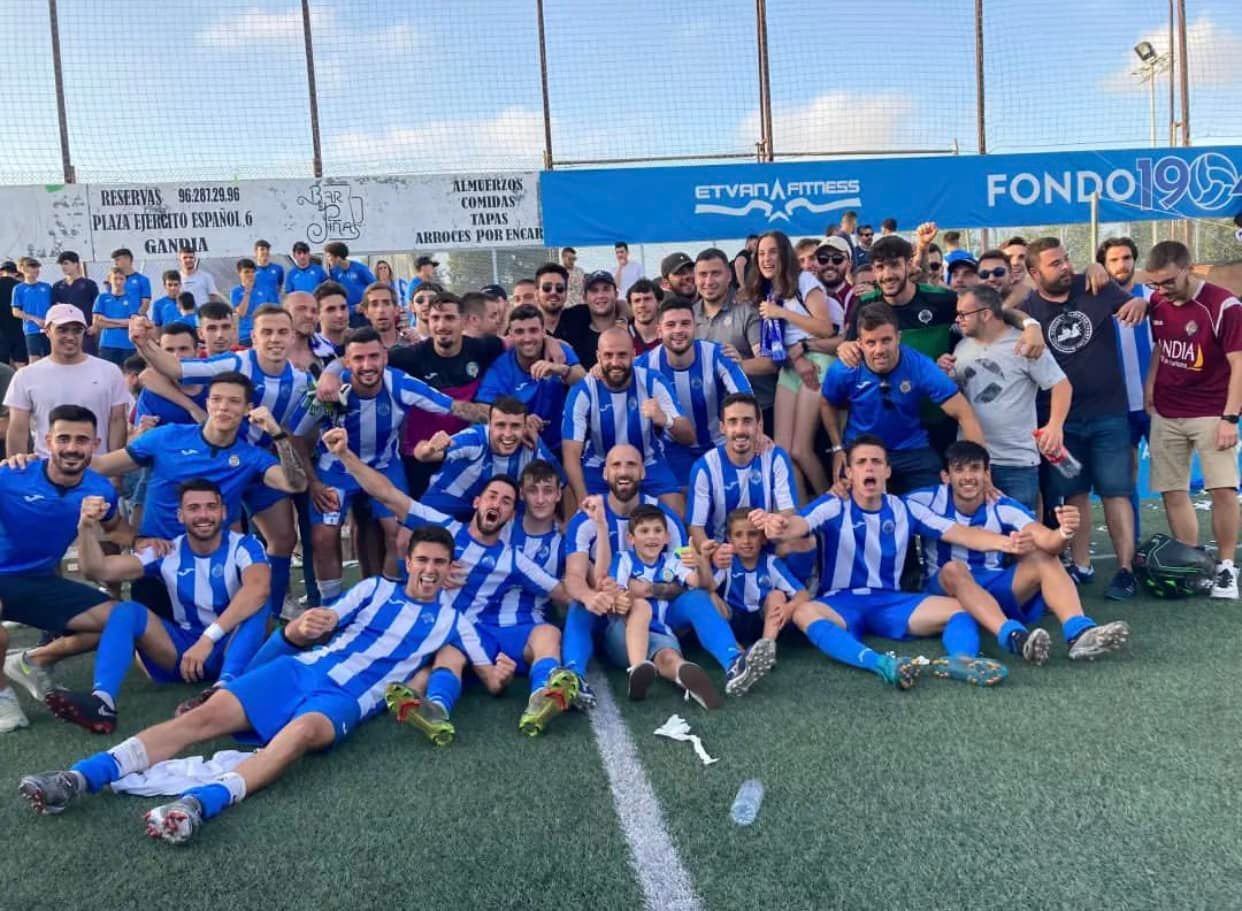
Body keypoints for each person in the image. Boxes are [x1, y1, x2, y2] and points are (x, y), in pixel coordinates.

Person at [17, 525, 479, 843]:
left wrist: (433, 688)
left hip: (345, 700)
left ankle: (198, 805)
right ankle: (78, 777)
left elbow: (456, 669)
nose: (430, 569)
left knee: (295, 737)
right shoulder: (376, 587)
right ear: (409, 559)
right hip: (299, 669)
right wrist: (307, 626)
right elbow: (329, 618)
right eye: (423, 559)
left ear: (450, 567)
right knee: (201, 720)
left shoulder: (454, 620)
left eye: (440, 562)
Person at [327, 437, 578, 738]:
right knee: (448, 651)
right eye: (492, 496)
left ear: (512, 515)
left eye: (506, 501)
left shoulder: (512, 559)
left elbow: (562, 592)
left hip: (485, 630)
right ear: (477, 502)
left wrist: (603, 588)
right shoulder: (447, 530)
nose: (497, 503)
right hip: (449, 632)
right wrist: (345, 454)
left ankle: (541, 698)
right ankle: (435, 709)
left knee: (548, 633)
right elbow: (388, 494)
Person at [752, 435, 1023, 689]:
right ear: (849, 473)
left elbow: (958, 532)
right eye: (861, 462)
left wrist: (1006, 543)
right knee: (803, 612)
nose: (869, 468)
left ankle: (962, 660)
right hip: (839, 601)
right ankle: (880, 664)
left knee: (960, 609)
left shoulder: (905, 508)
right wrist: (777, 524)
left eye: (876, 462)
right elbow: (797, 525)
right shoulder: (834, 504)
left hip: (889, 601)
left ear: (887, 471)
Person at [42, 480, 271, 734]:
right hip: (183, 654)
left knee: (259, 604)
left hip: (232, 646)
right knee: (126, 610)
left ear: (224, 512)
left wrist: (207, 640)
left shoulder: (245, 545)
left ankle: (222, 692)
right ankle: (102, 702)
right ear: (180, 515)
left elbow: (257, 589)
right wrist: (85, 527)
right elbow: (97, 569)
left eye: (211, 507)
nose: (203, 515)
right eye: (194, 508)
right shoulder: (167, 550)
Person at [130, 310, 315, 616]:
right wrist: (143, 342)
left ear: (292, 337)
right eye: (266, 332)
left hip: (256, 465)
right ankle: (201, 599)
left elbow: (297, 434)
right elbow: (172, 368)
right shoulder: (236, 363)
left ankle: (275, 603)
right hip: (216, 463)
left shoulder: (301, 381)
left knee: (283, 537)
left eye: (282, 332)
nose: (274, 339)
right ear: (252, 337)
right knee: (219, 534)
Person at [908, 441, 1132, 666]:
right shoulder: (923, 501)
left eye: (975, 468)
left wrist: (1064, 532)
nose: (967, 477)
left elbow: (1045, 540)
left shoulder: (1002, 505)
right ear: (945, 476)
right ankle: (1013, 636)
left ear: (987, 474)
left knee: (1043, 558)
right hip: (947, 591)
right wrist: (1007, 544)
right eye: (959, 470)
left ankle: (1079, 632)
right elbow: (962, 534)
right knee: (953, 569)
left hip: (992, 585)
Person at [1018, 237, 1147, 600]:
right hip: (1060, 421)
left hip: (1108, 414)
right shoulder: (1027, 307)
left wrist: (1138, 301)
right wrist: (1026, 323)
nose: (1065, 267)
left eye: (1065, 260)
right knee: (1073, 494)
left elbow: (1136, 301)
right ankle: (1079, 566)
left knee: (1116, 492)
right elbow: (1001, 307)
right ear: (1033, 272)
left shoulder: (1095, 285)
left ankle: (1124, 570)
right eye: (1054, 263)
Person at [0, 406, 123, 733]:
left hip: (37, 581)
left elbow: (119, 531)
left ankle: (31, 661)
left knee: (120, 620)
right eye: (63, 438)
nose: (72, 447)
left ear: (95, 444)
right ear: (47, 441)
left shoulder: (101, 489)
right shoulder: (10, 475)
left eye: (81, 440)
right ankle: (2, 698)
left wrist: (150, 541)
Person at [304, 326, 455, 591]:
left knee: (401, 535)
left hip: (385, 467)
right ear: (347, 363)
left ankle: (386, 600)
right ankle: (332, 609)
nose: (367, 365)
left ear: (385, 357)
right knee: (324, 536)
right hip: (335, 471)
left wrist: (499, 419)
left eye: (374, 357)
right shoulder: (331, 390)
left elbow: (453, 406)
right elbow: (296, 434)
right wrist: (313, 482)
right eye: (358, 359)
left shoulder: (398, 383)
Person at [1143, 240, 1242, 599]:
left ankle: (1227, 568)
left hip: (1212, 412)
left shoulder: (1224, 305)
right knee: (1173, 491)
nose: (1161, 290)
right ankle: (1192, 562)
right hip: (1167, 411)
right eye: (1155, 284)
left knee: (1222, 491)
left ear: (1189, 269)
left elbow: (1239, 364)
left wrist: (1230, 417)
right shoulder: (1157, 301)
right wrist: (1150, 384)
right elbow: (1160, 347)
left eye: (1168, 281)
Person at [821, 304, 985, 494]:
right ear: (860, 343)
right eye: (871, 343)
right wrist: (837, 448)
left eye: (886, 340)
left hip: (911, 450)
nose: (879, 349)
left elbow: (964, 412)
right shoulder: (845, 368)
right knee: (851, 505)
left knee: (935, 506)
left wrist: (982, 470)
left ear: (898, 337)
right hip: (863, 450)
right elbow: (827, 403)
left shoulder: (919, 365)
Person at [940, 285, 1070, 511]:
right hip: (973, 462)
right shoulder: (960, 348)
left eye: (963, 314)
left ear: (986, 314)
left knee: (1022, 534)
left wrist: (1055, 426)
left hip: (1017, 461)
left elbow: (1061, 384)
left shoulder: (1024, 344)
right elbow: (956, 402)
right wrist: (942, 376)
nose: (957, 320)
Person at [745, 230, 835, 498]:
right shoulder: (768, 291)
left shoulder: (804, 280)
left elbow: (825, 328)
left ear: (784, 254)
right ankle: (803, 515)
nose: (766, 259)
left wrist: (781, 312)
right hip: (790, 366)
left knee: (800, 449)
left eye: (772, 252)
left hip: (816, 361)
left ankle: (830, 506)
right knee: (782, 453)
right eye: (761, 253)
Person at [562, 327, 691, 511]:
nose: (615, 362)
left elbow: (688, 436)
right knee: (570, 494)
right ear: (598, 357)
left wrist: (665, 420)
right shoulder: (584, 390)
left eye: (622, 355)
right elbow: (571, 454)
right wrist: (583, 502)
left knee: (676, 508)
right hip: (599, 464)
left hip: (648, 461)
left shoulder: (652, 381)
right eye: (608, 355)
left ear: (633, 354)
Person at [642, 296, 752, 480]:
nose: (678, 330)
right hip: (671, 450)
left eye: (685, 323)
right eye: (671, 325)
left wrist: (757, 434)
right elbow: (615, 377)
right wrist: (597, 372)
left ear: (696, 327)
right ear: (659, 331)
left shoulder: (718, 354)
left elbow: (747, 400)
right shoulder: (645, 364)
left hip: (718, 446)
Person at [4, 304, 129, 458]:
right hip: (47, 470)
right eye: (62, 330)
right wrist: (17, 472)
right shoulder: (25, 376)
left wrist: (114, 473)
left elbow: (117, 422)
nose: (70, 337)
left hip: (97, 469)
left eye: (76, 330)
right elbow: (18, 428)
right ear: (48, 331)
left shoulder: (110, 372)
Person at [415, 397, 560, 520]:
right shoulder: (475, 439)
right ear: (489, 425)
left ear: (524, 428)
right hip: (445, 505)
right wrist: (429, 449)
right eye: (501, 425)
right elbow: (424, 453)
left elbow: (562, 482)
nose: (508, 434)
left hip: (493, 516)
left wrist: (566, 522)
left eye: (515, 426)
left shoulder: (532, 447)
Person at [1098, 235, 1153, 546]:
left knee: (1172, 480)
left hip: (1154, 404)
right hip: (1117, 407)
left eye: (1126, 258)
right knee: (1126, 479)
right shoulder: (1097, 300)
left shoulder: (1152, 297)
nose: (1122, 265)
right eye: (1114, 260)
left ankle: (1185, 548)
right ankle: (1134, 545)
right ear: (1104, 266)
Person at [686, 392, 796, 546]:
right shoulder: (705, 467)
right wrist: (712, 551)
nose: (740, 430)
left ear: (758, 426)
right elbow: (696, 527)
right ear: (722, 427)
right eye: (732, 422)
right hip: (724, 552)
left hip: (767, 548)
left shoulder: (776, 458)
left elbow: (789, 513)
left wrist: (772, 520)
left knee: (804, 544)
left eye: (747, 421)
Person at [477, 303, 583, 454]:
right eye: (520, 332)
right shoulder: (501, 366)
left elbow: (585, 382)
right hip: (519, 447)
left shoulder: (559, 352)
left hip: (561, 446)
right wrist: (518, 419)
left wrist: (562, 370)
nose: (527, 338)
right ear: (511, 335)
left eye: (533, 331)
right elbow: (482, 407)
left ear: (543, 332)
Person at [700, 509, 808, 652]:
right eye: (738, 535)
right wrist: (704, 561)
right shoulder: (727, 561)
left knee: (777, 595)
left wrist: (789, 608)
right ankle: (734, 648)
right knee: (708, 596)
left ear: (763, 538)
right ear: (729, 539)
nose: (746, 541)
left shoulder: (771, 563)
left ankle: (765, 647)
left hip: (762, 621)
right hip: (733, 620)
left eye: (753, 534)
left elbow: (803, 593)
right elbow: (708, 586)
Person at [693, 248, 778, 431]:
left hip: (757, 413)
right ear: (695, 278)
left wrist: (736, 366)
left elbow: (768, 363)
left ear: (729, 276)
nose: (708, 281)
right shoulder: (688, 316)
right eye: (703, 274)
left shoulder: (747, 309)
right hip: (713, 418)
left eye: (715, 273)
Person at [554, 270, 624, 369]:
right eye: (594, 290)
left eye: (606, 289)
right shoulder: (573, 334)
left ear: (616, 294)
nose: (600, 295)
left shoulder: (629, 329)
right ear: (584, 297)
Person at [53, 251, 99, 352]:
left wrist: (95, 325)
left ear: (75, 264)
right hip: (65, 330)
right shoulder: (57, 286)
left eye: (66, 263)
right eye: (61, 264)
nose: (63, 267)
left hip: (85, 329)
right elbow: (55, 308)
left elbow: (98, 308)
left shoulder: (89, 284)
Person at [93, 267, 141, 366]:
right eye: (115, 278)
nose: (118, 282)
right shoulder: (102, 298)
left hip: (127, 345)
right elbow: (97, 322)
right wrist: (123, 322)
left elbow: (133, 322)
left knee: (128, 376)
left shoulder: (132, 299)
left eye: (121, 279)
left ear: (125, 280)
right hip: (107, 344)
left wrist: (108, 320)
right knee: (107, 376)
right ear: (110, 280)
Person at [322, 242, 375, 325]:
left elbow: (374, 287)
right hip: (348, 313)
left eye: (329, 256)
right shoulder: (333, 272)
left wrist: (365, 304)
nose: (328, 259)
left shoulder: (360, 269)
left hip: (365, 313)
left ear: (338, 257)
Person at [12, 256, 53, 361]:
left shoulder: (47, 287)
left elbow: (54, 305)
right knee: (34, 359)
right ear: (23, 269)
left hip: (49, 328)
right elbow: (16, 311)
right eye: (32, 267)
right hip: (31, 330)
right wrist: (34, 319)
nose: (36, 270)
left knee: (51, 358)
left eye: (37, 267)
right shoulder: (18, 289)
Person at [230, 257, 277, 346]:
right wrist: (247, 291)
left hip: (263, 332)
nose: (250, 274)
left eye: (252, 272)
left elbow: (274, 310)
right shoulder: (235, 292)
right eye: (246, 272)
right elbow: (241, 313)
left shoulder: (265, 289)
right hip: (245, 335)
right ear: (239, 273)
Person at [0, 260, 28, 367]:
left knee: (3, 366)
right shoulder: (21, 286)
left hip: (1, 331)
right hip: (19, 328)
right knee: (20, 363)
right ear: (15, 273)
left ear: (2, 272)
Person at [111, 248, 151, 315]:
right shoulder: (112, 280)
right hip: (117, 320)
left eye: (117, 260)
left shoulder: (142, 279)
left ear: (127, 259)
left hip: (136, 320)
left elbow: (145, 303)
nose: (115, 263)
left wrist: (136, 318)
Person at [626, 278, 663, 354]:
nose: (642, 305)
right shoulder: (622, 337)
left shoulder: (669, 335)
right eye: (637, 301)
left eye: (647, 299)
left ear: (659, 302)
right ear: (630, 306)